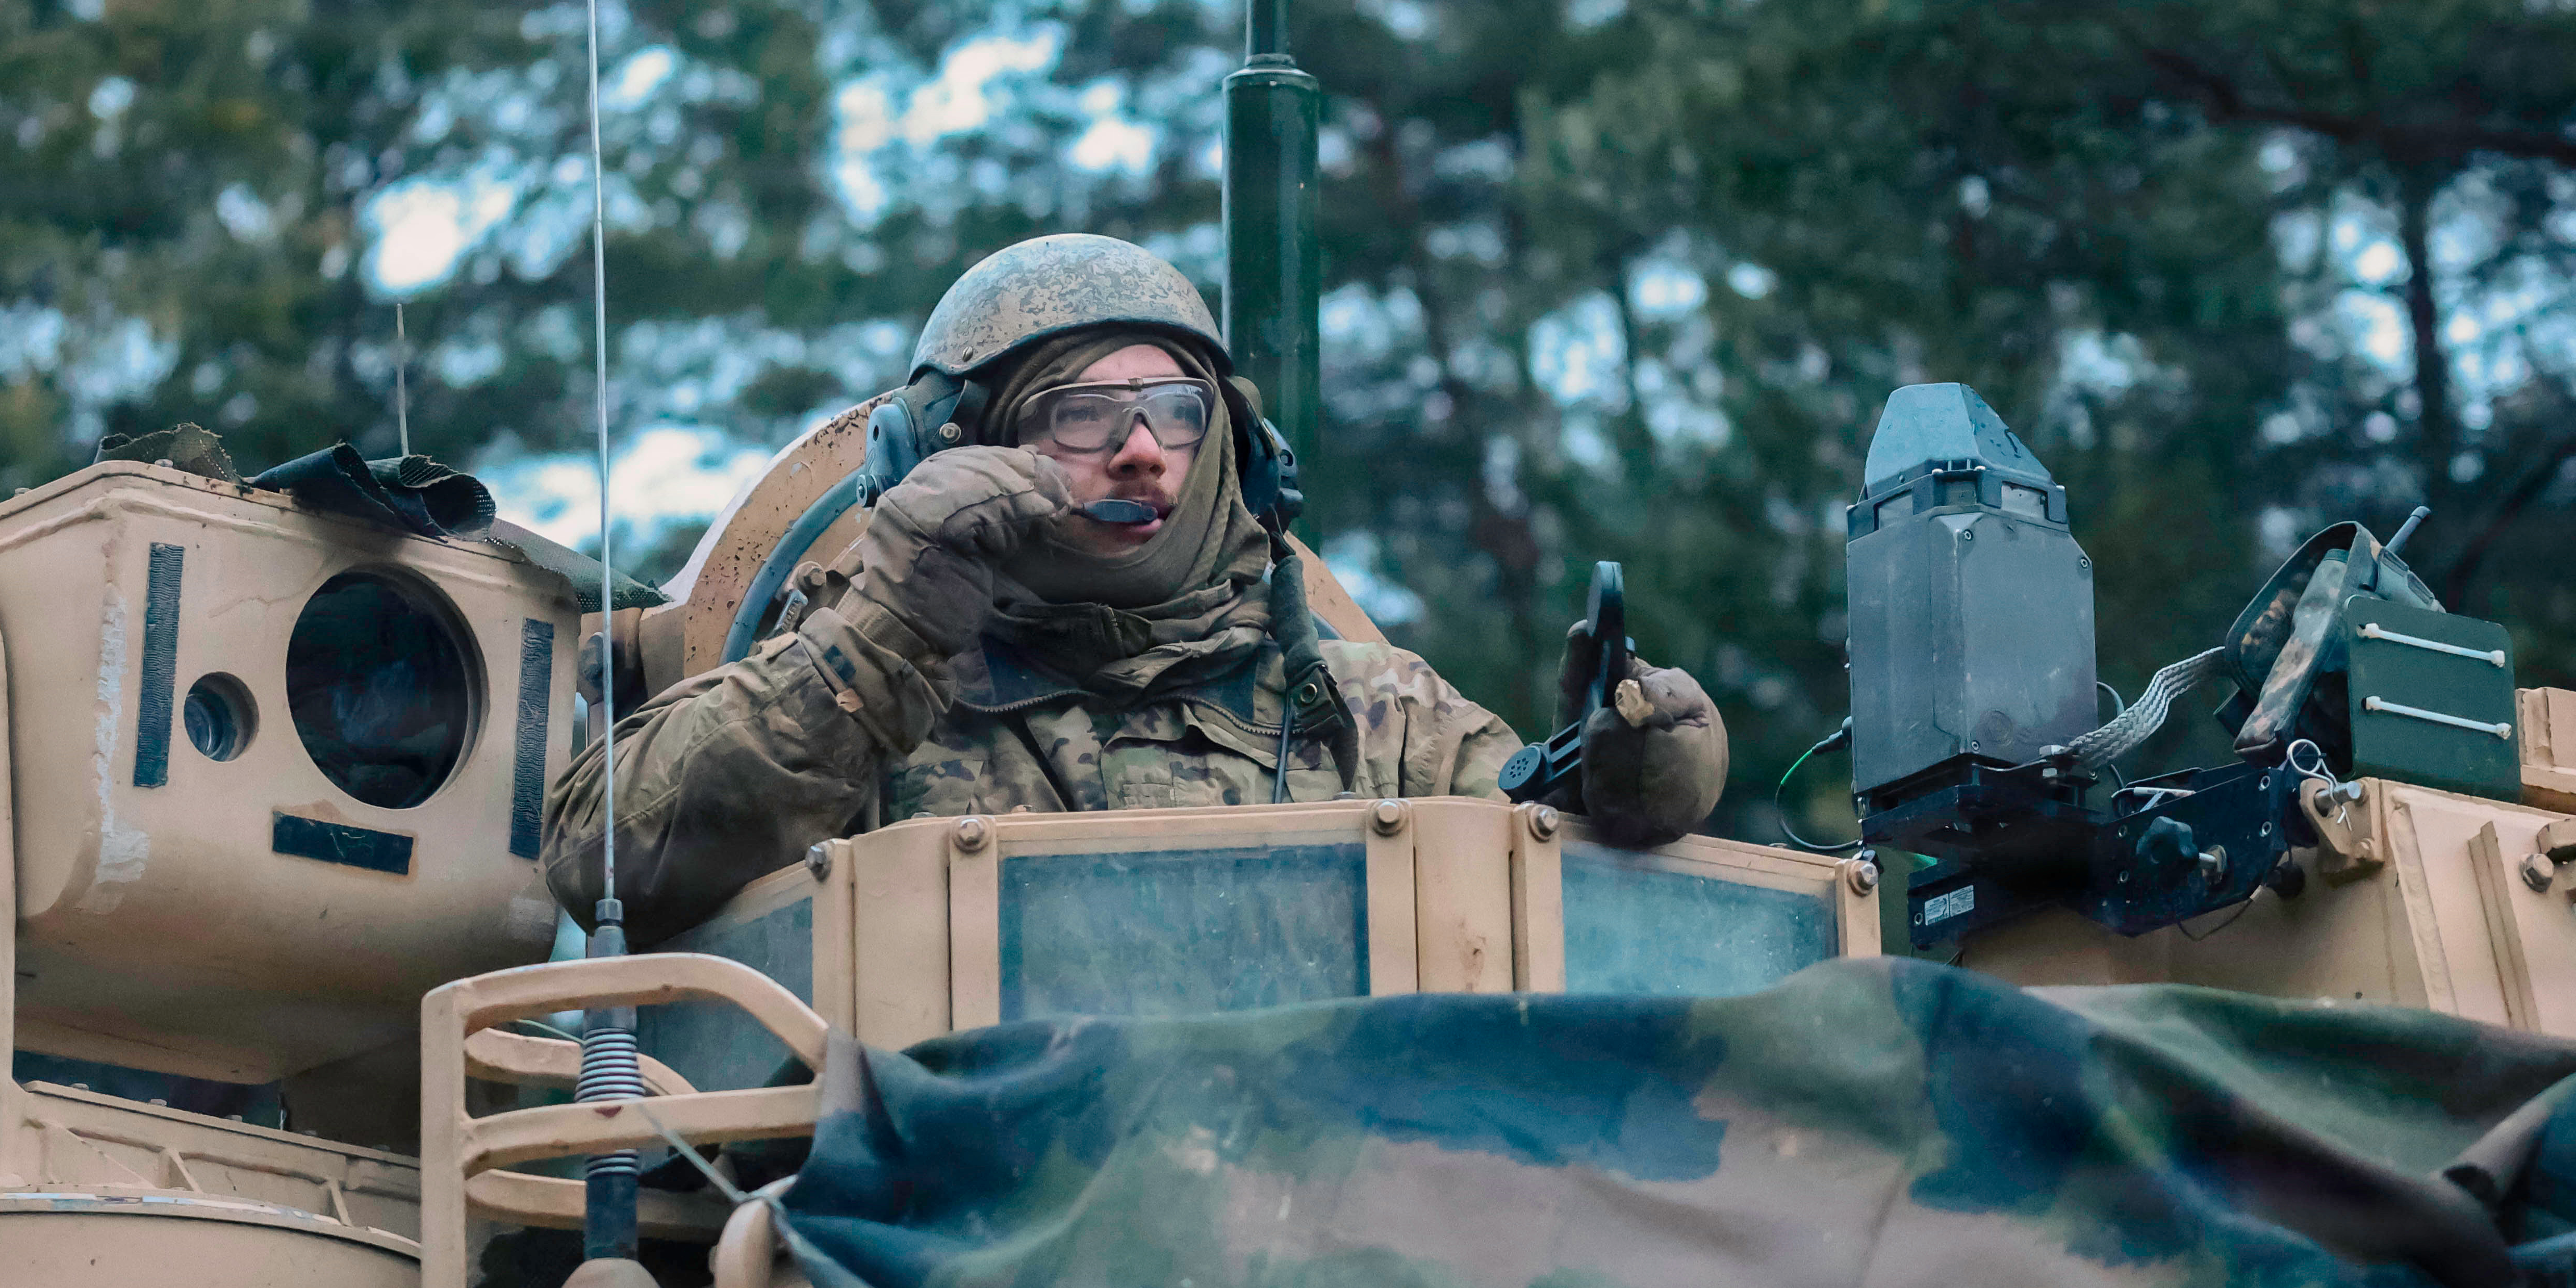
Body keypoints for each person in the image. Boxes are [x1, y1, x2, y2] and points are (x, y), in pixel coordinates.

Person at [548, 234, 1726, 942]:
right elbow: (600, 858)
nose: (1142, 453)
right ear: (952, 449)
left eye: (1175, 411)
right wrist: (886, 633)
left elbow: (1546, 927)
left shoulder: (1376, 715)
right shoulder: (856, 699)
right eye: (1081, 415)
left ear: (1236, 452)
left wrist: (1617, 785)